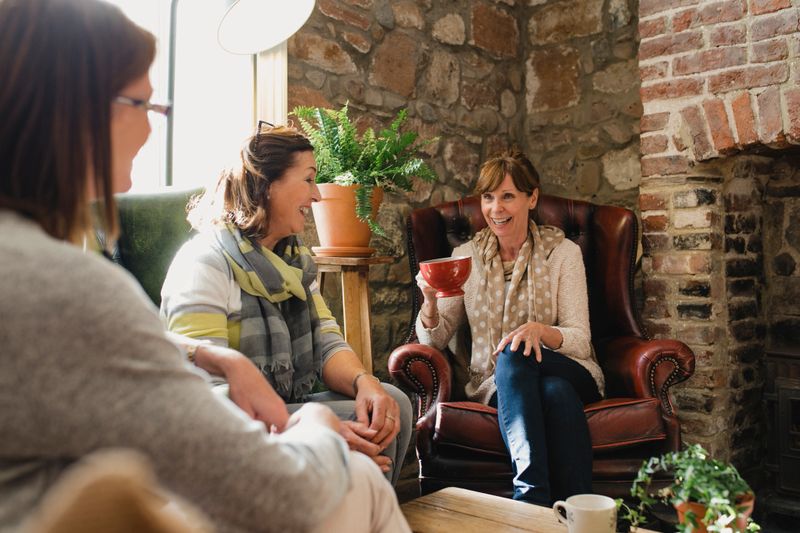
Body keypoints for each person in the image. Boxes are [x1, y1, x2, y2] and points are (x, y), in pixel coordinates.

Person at [0, 1, 409, 532]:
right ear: (74, 110)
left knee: (384, 409)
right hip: (230, 462)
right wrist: (309, 421)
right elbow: (276, 489)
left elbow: (111, 355)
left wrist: (221, 359)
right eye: (143, 104)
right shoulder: (80, 283)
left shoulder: (294, 261)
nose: (151, 130)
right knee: (365, 484)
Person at [160, 124, 413, 484]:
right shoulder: (205, 263)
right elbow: (200, 393)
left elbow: (327, 342)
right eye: (308, 180)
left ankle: (357, 510)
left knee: (389, 403)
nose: (317, 196)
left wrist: (364, 381)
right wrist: (306, 430)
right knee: (355, 427)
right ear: (266, 186)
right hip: (229, 424)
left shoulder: (293, 261)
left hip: (285, 408)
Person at [415, 149, 604, 505]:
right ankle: (579, 512)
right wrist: (428, 300)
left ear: (532, 198)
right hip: (501, 383)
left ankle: (530, 496)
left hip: (571, 367)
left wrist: (539, 331)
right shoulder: (465, 258)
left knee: (515, 352)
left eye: (507, 196)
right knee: (554, 394)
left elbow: (580, 341)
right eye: (488, 197)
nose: (495, 209)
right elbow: (435, 338)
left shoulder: (562, 253)